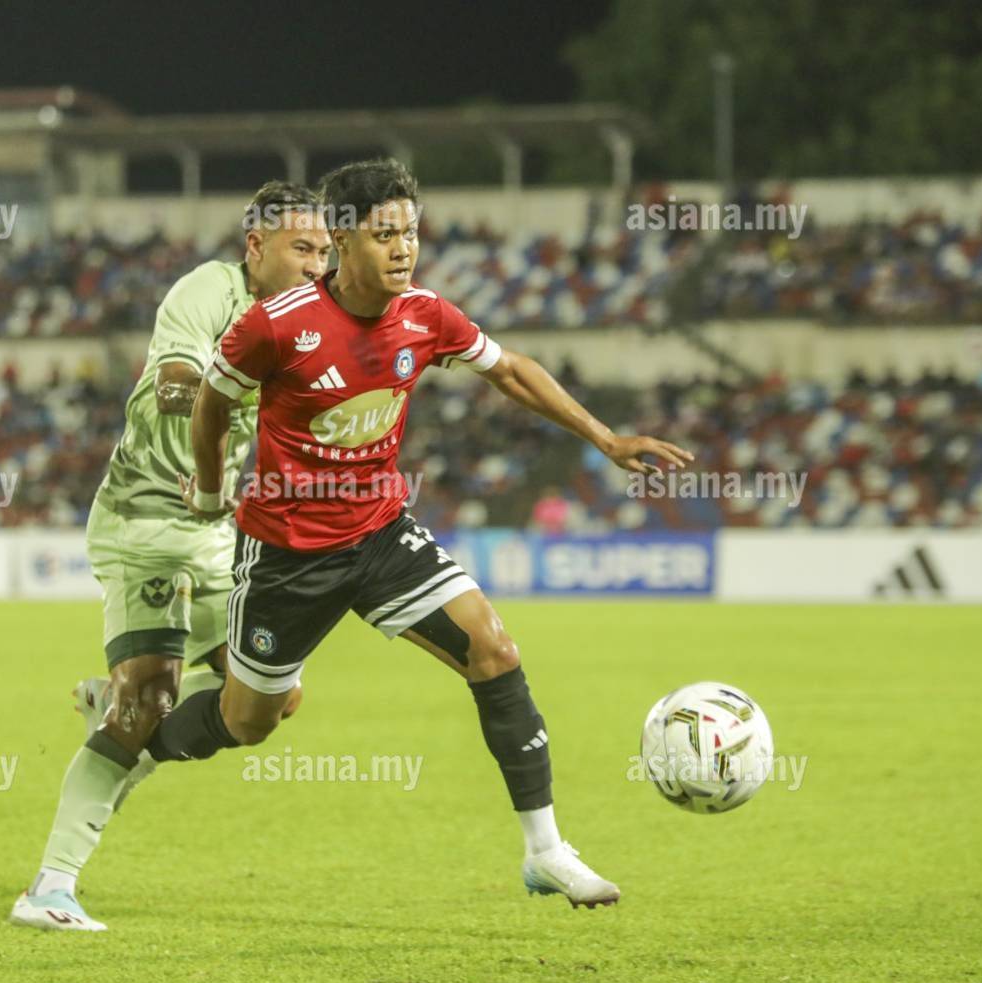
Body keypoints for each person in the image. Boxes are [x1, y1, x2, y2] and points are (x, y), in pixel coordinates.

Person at [155, 158, 693, 910]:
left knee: (494, 650)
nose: (404, 248)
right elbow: (213, 402)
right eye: (386, 235)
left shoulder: (425, 314)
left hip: (380, 533)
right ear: (344, 240)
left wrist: (605, 438)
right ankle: (141, 734)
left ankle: (546, 851)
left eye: (411, 232)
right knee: (249, 722)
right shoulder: (277, 325)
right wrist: (213, 489)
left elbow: (510, 371)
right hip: (288, 553)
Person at [10, 182, 331, 931]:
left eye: (325, 251)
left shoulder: (309, 323)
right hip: (145, 521)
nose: (317, 265)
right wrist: (231, 399)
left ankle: (123, 708)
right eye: (301, 248)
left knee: (272, 700)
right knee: (148, 702)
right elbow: (175, 382)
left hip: (216, 533)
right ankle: (50, 888)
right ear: (256, 247)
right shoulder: (210, 290)